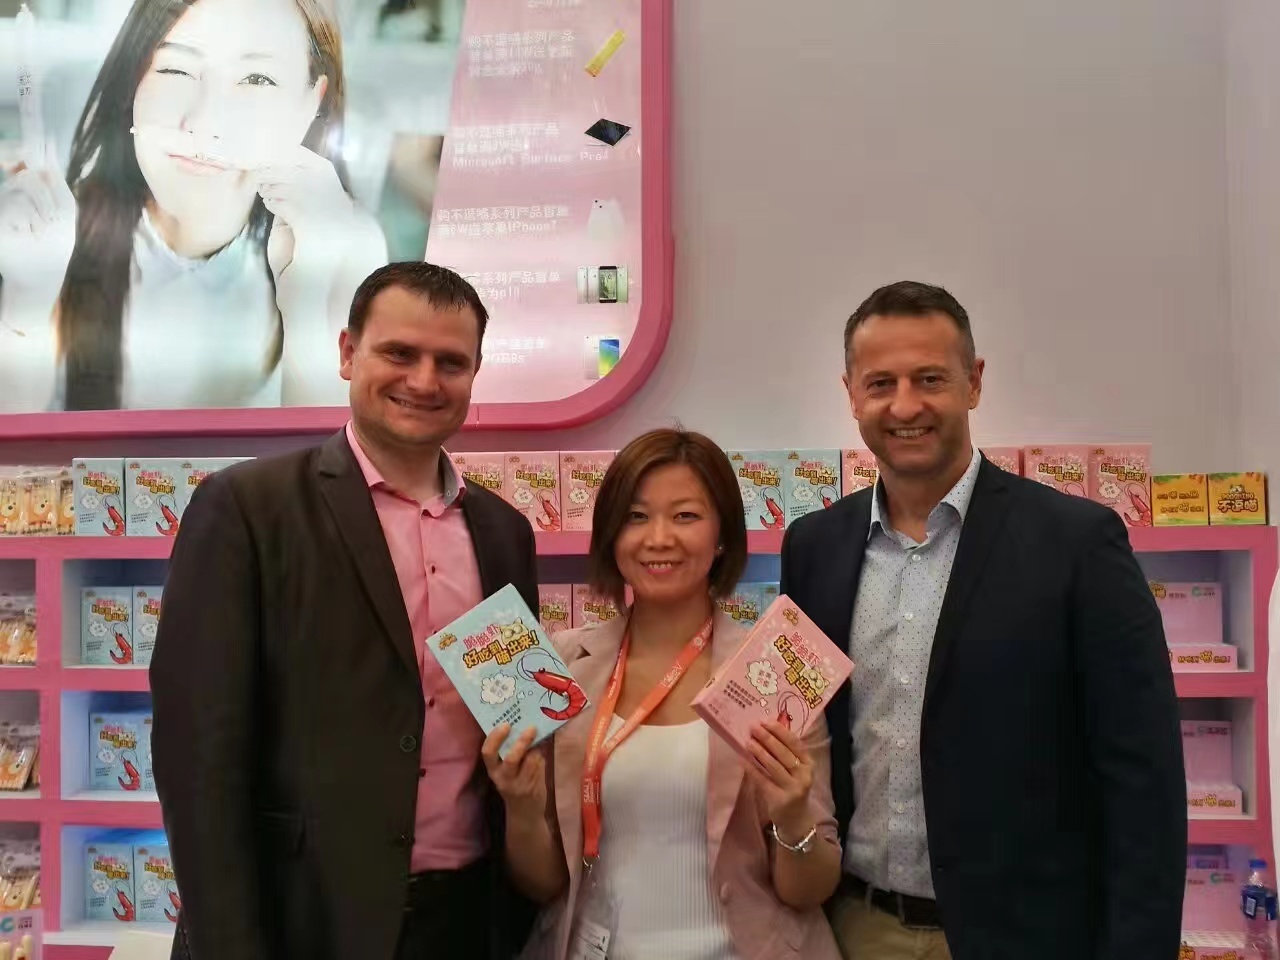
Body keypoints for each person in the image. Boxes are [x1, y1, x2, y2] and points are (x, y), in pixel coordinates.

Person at [781, 281, 1186, 960]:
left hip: (1029, 937)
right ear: (851, 394)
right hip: (856, 928)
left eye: (929, 378)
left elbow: (1143, 781)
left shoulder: (1076, 544)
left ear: (973, 382)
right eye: (880, 383)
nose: (905, 405)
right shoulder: (814, 548)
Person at [150, 262, 537, 960]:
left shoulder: (504, 532)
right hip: (300, 923)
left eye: (451, 362)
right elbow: (196, 759)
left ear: (475, 373)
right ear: (348, 353)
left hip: (467, 920)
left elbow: (513, 717)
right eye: (400, 353)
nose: (424, 381)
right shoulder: (246, 509)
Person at [482, 428, 844, 960]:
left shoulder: (772, 673)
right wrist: (520, 807)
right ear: (610, 534)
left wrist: (792, 816)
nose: (658, 538)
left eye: (685, 516)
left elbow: (810, 889)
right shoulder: (559, 667)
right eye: (635, 516)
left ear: (722, 536)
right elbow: (544, 885)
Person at [0, 0, 387, 412]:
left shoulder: (347, 245)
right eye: (176, 70)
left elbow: (332, 448)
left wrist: (308, 302)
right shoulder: (51, 233)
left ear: (311, 103)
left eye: (258, 78)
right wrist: (25, 306)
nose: (206, 122)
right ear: (133, 81)